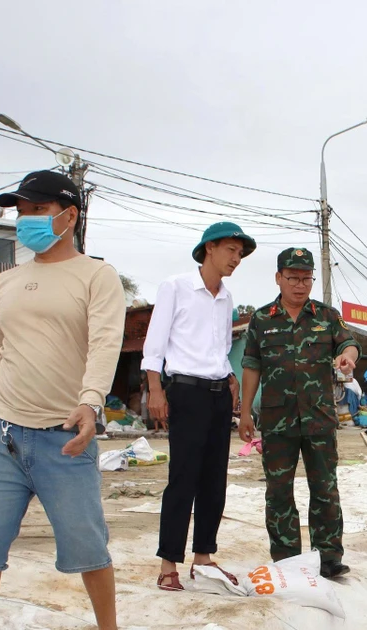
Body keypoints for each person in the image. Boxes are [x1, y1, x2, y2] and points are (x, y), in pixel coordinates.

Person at [0, 171, 125, 630]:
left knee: (88, 547)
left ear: (69, 216)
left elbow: (105, 344)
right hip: (0, 436)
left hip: (64, 438)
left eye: (38, 210)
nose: (26, 219)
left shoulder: (97, 276)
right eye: (22, 211)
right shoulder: (5, 282)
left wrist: (91, 402)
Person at [141, 221, 255, 592]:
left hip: (219, 394)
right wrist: (155, 389)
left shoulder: (226, 297)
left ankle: (203, 556)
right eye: (231, 250)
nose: (236, 259)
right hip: (186, 392)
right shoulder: (175, 287)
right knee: (183, 478)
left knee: (214, 479)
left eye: (240, 254)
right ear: (209, 248)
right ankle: (168, 564)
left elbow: (220, 348)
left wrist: (230, 378)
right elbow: (155, 344)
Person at [239, 247, 360, 579]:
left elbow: (349, 343)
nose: (300, 285)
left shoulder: (327, 316)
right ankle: (287, 559)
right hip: (277, 421)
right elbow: (251, 366)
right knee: (279, 491)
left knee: (325, 489)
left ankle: (328, 556)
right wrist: (245, 412)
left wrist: (347, 357)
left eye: (307, 278)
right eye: (293, 278)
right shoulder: (261, 320)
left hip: (319, 418)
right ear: (278, 278)